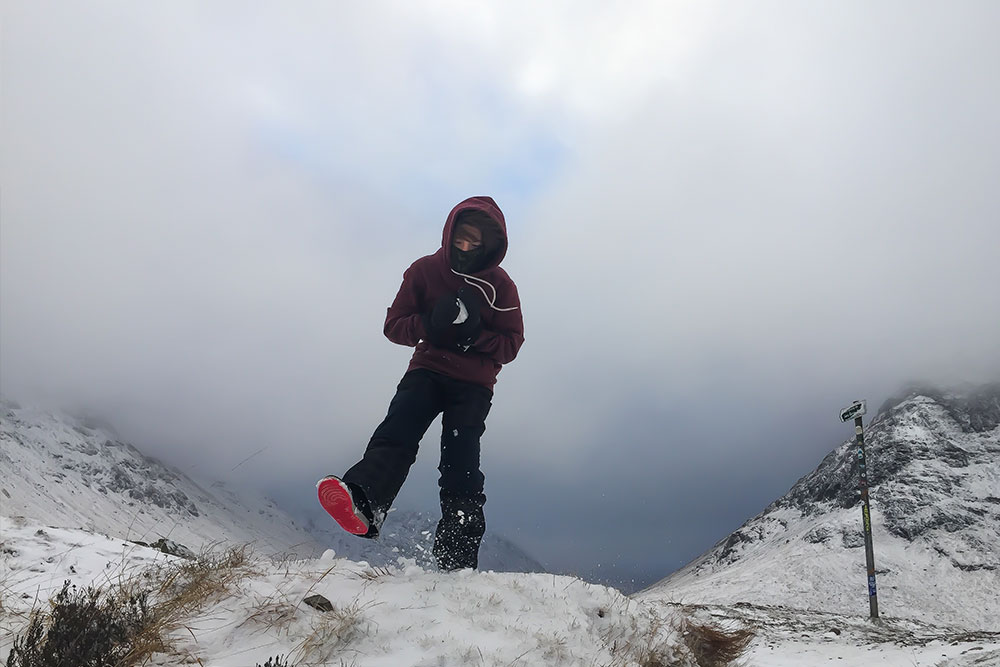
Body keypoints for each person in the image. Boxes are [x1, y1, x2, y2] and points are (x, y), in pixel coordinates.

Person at [317, 196, 524, 571]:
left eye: (474, 244)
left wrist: (474, 336)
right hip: (426, 370)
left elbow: (511, 345)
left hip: (474, 385)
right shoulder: (424, 271)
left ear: (488, 245)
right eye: (460, 239)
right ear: (449, 233)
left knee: (461, 464)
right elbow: (394, 326)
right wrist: (430, 324)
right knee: (397, 432)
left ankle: (456, 561)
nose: (464, 248)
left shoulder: (500, 286)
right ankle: (364, 505)